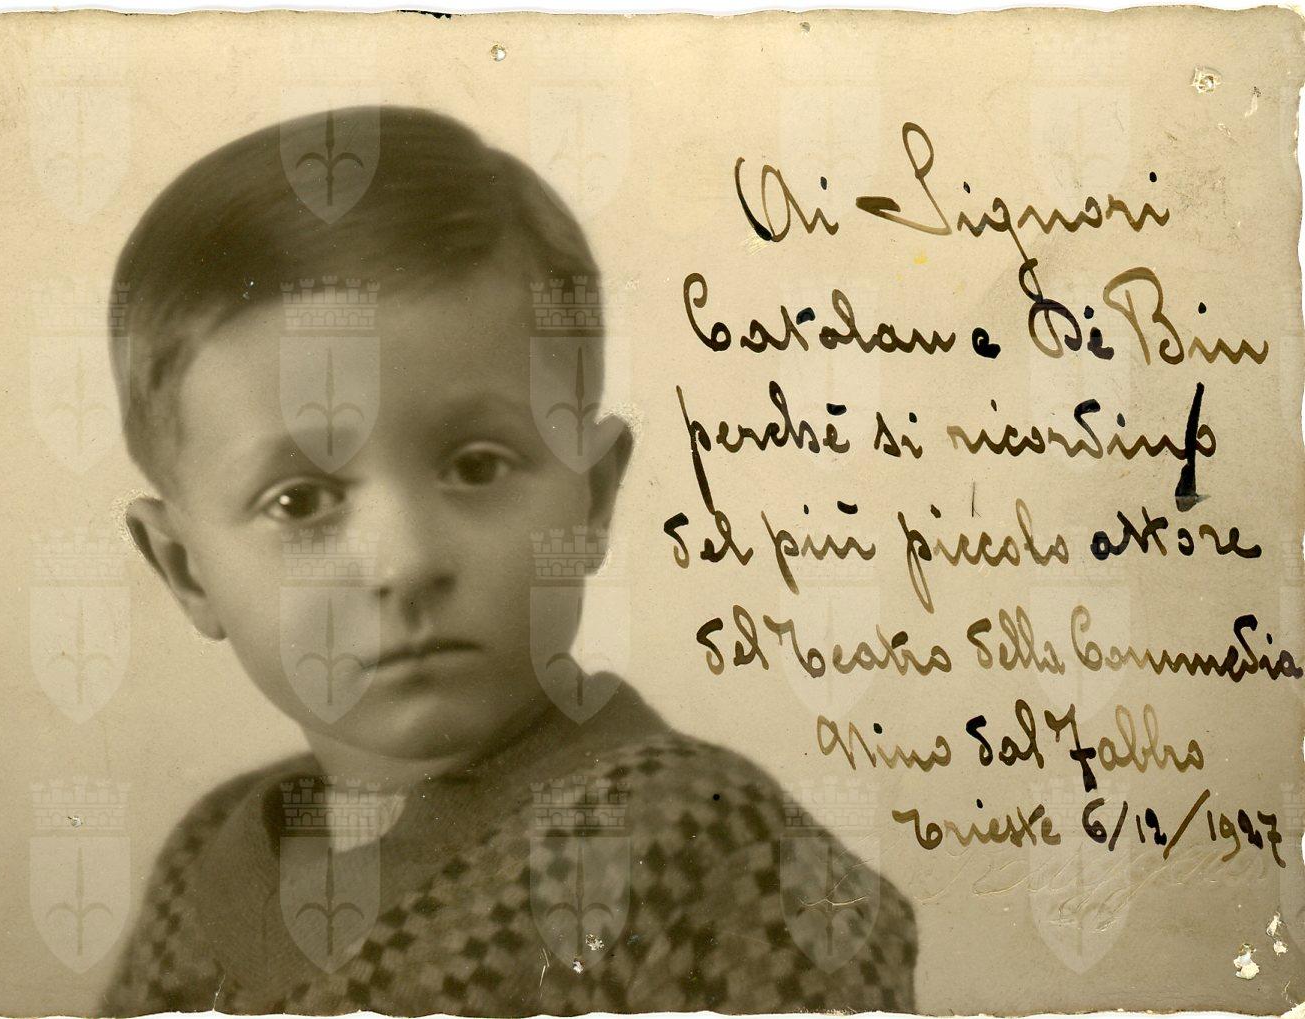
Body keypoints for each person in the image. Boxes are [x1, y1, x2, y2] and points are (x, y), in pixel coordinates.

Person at [99, 104, 916, 1016]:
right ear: (186, 570)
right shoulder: (206, 864)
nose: (405, 562)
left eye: (477, 467)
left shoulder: (711, 853)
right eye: (299, 502)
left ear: (592, 496)